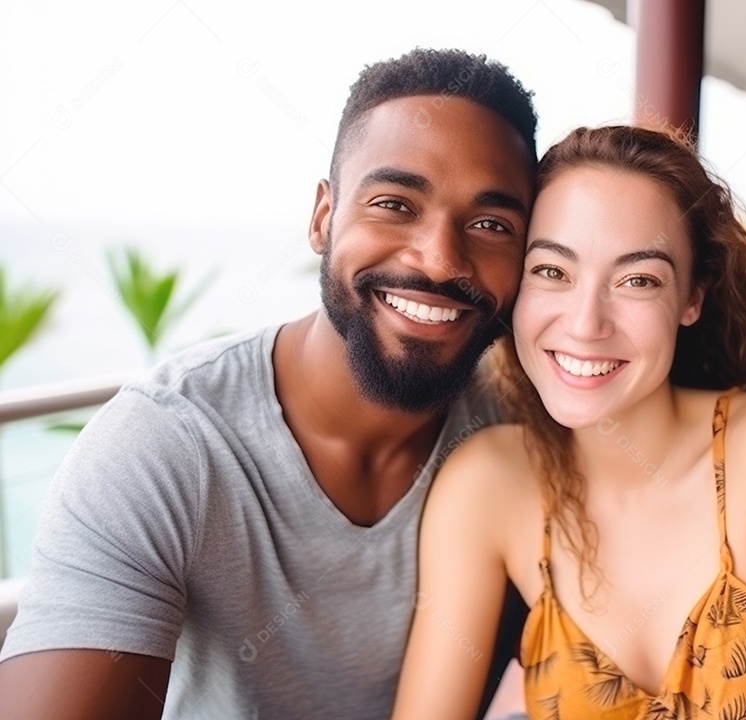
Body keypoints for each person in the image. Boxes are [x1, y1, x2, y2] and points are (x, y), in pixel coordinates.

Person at [0, 48, 537, 719]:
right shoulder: (166, 448)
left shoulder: (529, 423)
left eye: (491, 225)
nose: (439, 258)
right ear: (322, 218)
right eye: (395, 203)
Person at [392, 125, 746, 719]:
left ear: (691, 298)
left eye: (638, 280)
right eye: (551, 270)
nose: (585, 323)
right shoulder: (489, 481)